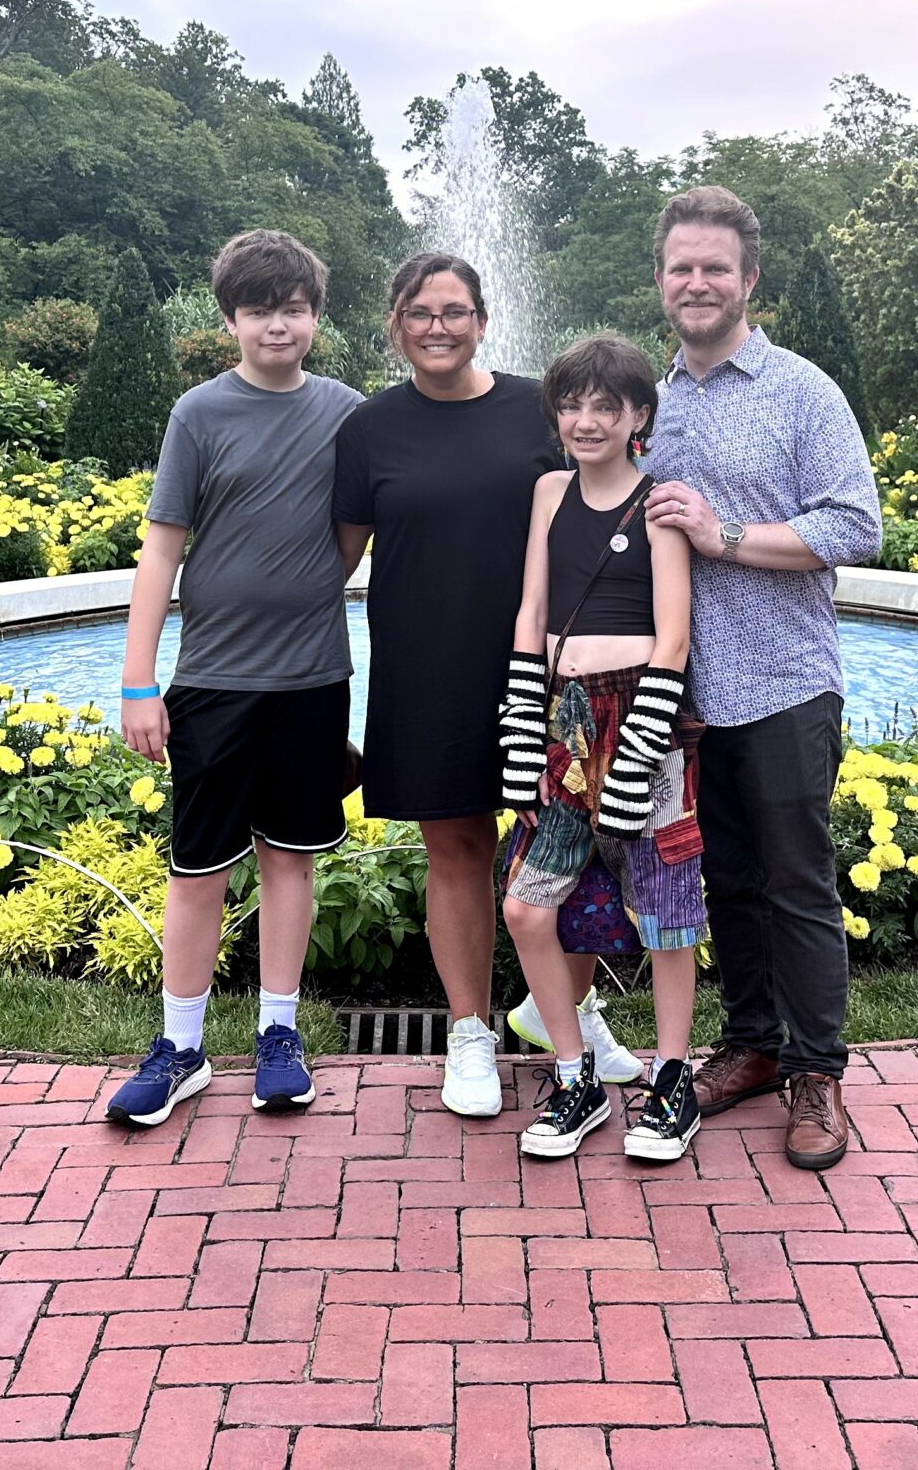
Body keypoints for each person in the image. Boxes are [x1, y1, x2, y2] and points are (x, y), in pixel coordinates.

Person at [334, 256, 638, 1119]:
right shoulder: (368, 429)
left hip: (550, 666)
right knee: (458, 847)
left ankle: (558, 1006)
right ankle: (468, 1031)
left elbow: (605, 502)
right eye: (420, 312)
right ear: (396, 323)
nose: (438, 326)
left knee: (573, 842)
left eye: (455, 310)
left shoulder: (538, 410)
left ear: (482, 319)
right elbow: (336, 560)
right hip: (426, 666)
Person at [641, 187, 881, 1170]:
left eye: (715, 267)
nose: (697, 282)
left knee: (796, 883)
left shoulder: (801, 391)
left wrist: (725, 533)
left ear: (749, 278)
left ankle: (817, 1072)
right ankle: (752, 1043)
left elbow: (855, 524)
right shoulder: (651, 401)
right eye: (681, 266)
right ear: (661, 279)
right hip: (688, 694)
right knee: (726, 880)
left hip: (783, 680)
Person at [106, 231, 363, 1127]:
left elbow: (352, 535)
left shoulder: (346, 413)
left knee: (290, 860)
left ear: (316, 314)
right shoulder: (199, 414)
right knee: (198, 867)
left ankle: (278, 1037)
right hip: (213, 679)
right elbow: (161, 551)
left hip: (312, 679)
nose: (277, 325)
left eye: (292, 308)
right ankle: (179, 1048)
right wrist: (138, 681)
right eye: (258, 310)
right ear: (230, 320)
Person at [499, 333, 706, 1161]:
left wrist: (642, 752)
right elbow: (530, 613)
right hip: (563, 719)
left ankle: (672, 1079)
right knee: (527, 904)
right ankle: (574, 1074)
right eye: (572, 404)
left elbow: (674, 636)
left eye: (605, 407)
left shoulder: (661, 504)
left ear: (638, 416)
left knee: (664, 904)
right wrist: (523, 729)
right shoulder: (549, 491)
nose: (586, 420)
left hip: (642, 715)